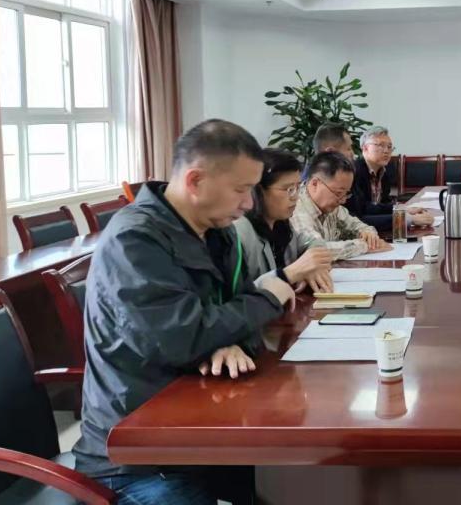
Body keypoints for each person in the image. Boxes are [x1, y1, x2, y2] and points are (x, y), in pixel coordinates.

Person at [74, 120, 297, 504]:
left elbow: (237, 311)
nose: (249, 204)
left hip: (206, 427)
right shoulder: (135, 239)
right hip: (137, 456)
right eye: (241, 190)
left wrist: (228, 341)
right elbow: (181, 337)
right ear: (195, 181)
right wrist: (269, 298)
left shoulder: (219, 231)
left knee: (300, 478)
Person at [234, 147, 333, 292]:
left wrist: (312, 268)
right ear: (258, 191)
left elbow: (314, 242)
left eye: (298, 187)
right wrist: (290, 274)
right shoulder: (239, 233)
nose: (296, 197)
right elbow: (238, 296)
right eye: (289, 189)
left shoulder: (281, 225)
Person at [290, 151, 389, 261]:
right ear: (315, 184)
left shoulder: (333, 207)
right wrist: (363, 245)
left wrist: (369, 235)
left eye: (346, 193)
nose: (343, 200)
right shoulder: (296, 208)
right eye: (338, 193)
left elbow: (359, 225)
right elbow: (317, 250)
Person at [347, 125, 433, 231]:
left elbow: (382, 206)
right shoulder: (353, 173)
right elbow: (360, 215)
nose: (386, 151)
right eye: (381, 145)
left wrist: (404, 210)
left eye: (389, 147)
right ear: (365, 148)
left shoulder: (383, 173)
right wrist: (408, 219)